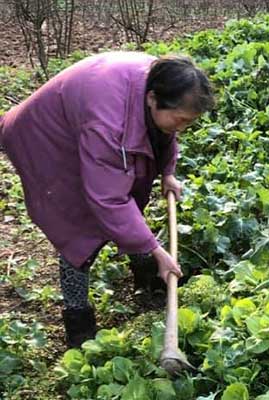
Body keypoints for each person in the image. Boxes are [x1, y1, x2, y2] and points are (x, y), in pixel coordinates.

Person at [0, 52, 215, 347]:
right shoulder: (108, 123)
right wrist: (156, 249)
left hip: (80, 121)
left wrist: (167, 172)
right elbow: (109, 198)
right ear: (153, 98)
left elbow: (163, 133)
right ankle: (79, 326)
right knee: (78, 226)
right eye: (180, 120)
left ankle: (146, 276)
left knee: (119, 195)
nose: (182, 128)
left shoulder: (166, 81)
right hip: (45, 139)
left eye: (188, 123)